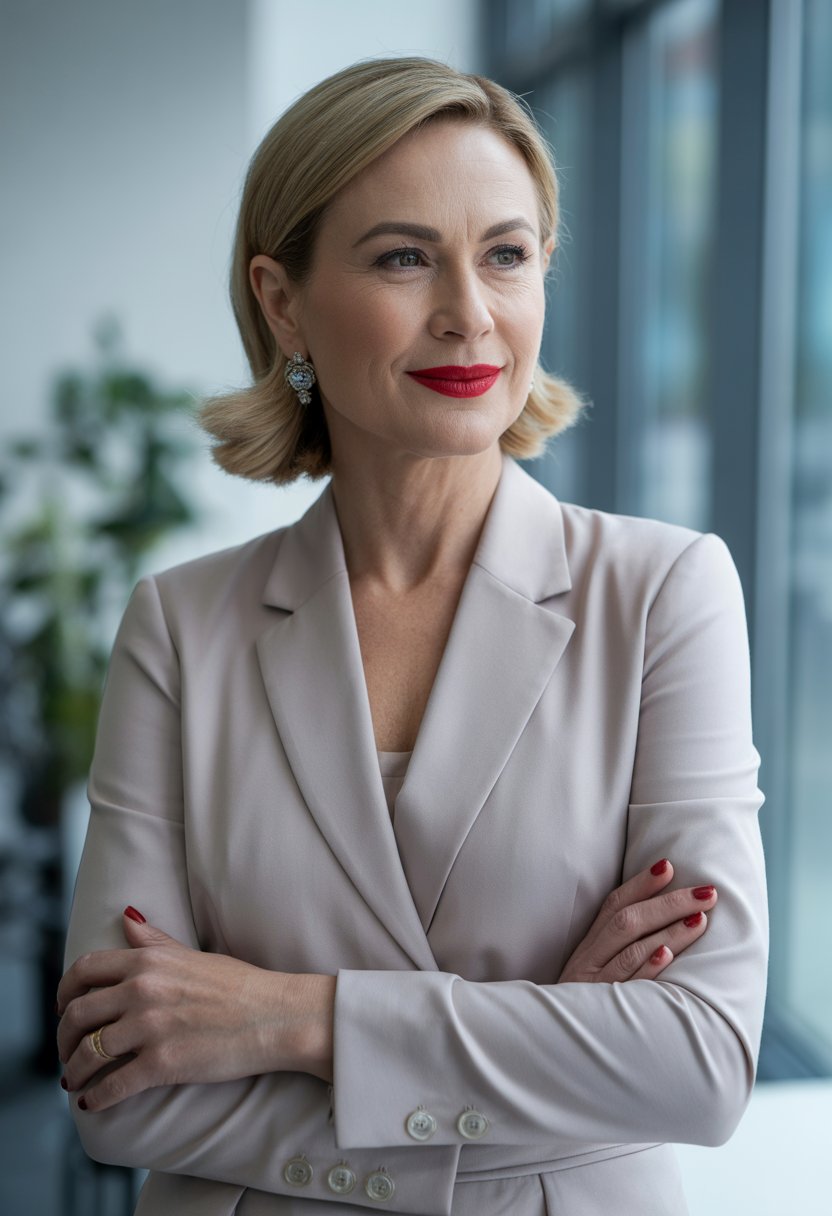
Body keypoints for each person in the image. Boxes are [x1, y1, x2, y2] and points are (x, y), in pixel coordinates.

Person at [56, 56, 768, 1216]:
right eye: (403, 257)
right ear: (282, 302)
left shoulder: (662, 594)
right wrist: (556, 1038)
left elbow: (696, 1058)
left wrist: (291, 1018)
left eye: (506, 254)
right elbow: (118, 1084)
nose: (469, 312)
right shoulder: (181, 627)